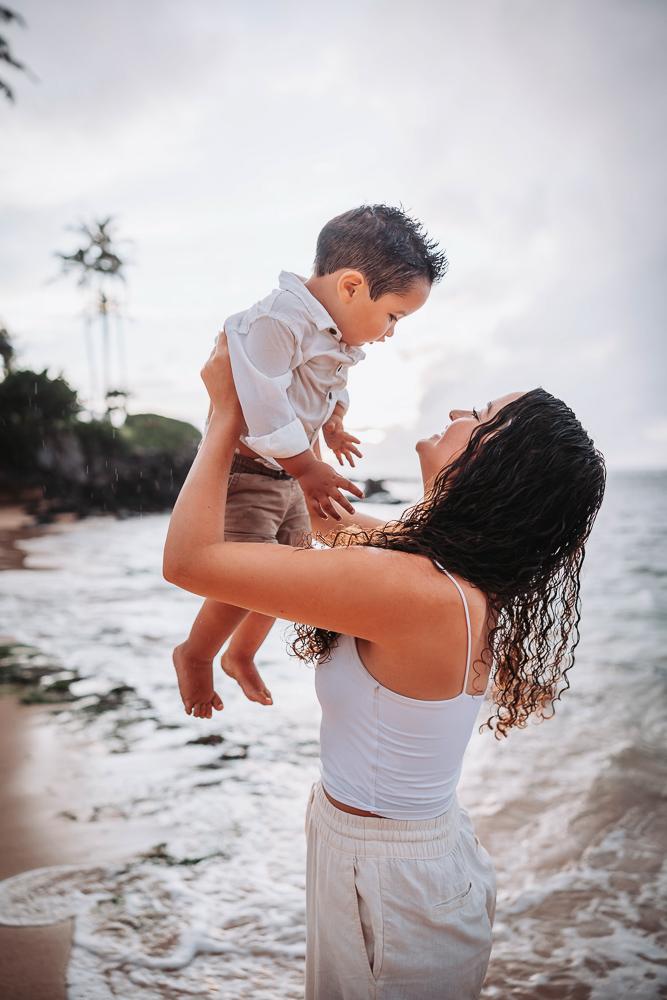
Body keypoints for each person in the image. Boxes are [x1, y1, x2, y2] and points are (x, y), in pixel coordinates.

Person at [163, 336, 606, 999]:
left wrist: (226, 413)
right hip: (384, 863)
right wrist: (286, 408)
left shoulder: (423, 593)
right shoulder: (431, 572)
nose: (458, 410)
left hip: (393, 882)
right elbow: (316, 515)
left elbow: (191, 560)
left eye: (479, 416)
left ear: (493, 466)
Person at [172, 205, 447, 717]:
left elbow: (328, 387)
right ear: (350, 286)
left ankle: (241, 652)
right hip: (251, 471)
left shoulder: (333, 335)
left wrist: (335, 423)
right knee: (247, 574)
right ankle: (195, 653)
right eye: (393, 316)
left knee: (291, 564)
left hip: (286, 473)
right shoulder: (278, 320)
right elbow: (262, 398)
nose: (390, 332)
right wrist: (306, 466)